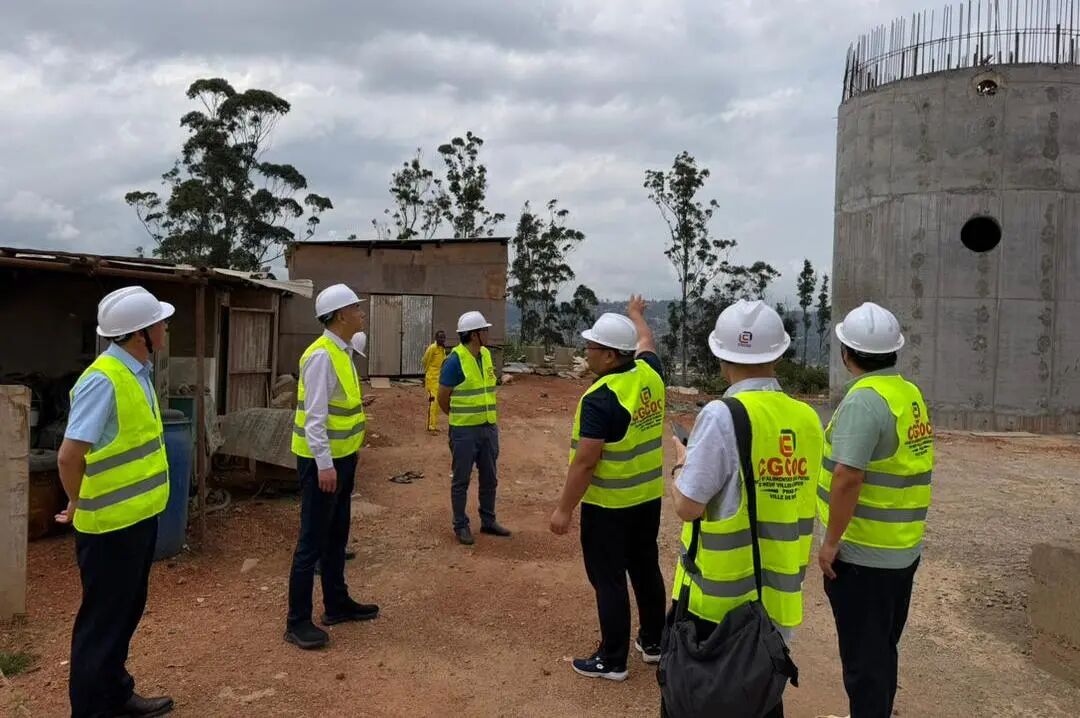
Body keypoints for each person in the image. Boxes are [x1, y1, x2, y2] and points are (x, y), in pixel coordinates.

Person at [667, 300, 824, 718]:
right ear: (778, 354)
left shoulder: (722, 416)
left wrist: (681, 463)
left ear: (721, 357)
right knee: (761, 703)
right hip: (777, 604)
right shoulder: (807, 419)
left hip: (720, 610)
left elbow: (688, 506)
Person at [57, 286, 176, 717]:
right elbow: (69, 456)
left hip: (136, 520)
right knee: (102, 623)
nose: (166, 328)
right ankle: (92, 709)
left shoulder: (136, 373)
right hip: (109, 527)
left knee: (124, 614)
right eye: (160, 323)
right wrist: (76, 501)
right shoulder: (103, 379)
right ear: (141, 334)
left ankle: (115, 693)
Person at [817, 302, 934, 718]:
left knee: (864, 663)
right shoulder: (907, 394)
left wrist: (831, 542)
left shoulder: (864, 402)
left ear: (846, 353)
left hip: (864, 556)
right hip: (900, 550)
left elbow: (848, 477)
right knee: (881, 648)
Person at [550, 296, 668, 682]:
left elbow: (586, 461)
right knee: (646, 569)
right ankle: (654, 642)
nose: (587, 352)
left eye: (592, 347)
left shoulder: (601, 398)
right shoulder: (650, 372)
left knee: (609, 579)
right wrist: (636, 316)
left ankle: (613, 659)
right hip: (646, 500)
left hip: (609, 507)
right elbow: (647, 341)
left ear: (611, 355)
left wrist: (564, 509)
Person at [285, 283, 379, 650]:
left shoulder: (342, 352)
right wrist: (325, 465)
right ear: (340, 315)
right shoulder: (322, 356)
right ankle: (297, 621)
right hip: (321, 464)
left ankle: (337, 603)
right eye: (356, 308)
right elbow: (315, 419)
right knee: (311, 541)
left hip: (342, 459)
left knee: (337, 534)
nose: (361, 313)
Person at [437, 311, 511, 545]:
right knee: (461, 480)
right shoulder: (454, 361)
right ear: (473, 335)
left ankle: (488, 521)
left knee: (490, 478)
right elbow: (442, 397)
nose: (488, 334)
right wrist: (458, 416)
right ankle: (461, 525)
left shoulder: (486, 355)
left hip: (488, 428)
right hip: (464, 432)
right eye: (484, 330)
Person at [422, 330, 448, 432]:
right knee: (433, 401)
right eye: (440, 337)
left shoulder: (442, 349)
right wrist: (428, 373)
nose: (442, 339)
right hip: (431, 379)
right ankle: (431, 426)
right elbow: (425, 361)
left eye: (443, 337)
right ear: (436, 338)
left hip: (439, 379)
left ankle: (433, 425)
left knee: (437, 403)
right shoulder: (432, 348)